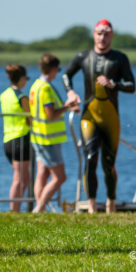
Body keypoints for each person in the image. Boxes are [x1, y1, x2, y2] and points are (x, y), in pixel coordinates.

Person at [62, 19, 136, 214]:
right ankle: (92, 206)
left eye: (107, 34)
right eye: (99, 33)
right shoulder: (83, 57)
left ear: (112, 36)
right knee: (90, 158)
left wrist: (113, 84)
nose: (103, 37)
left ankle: (111, 203)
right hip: (89, 116)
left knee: (108, 164)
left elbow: (132, 85)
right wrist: (70, 92)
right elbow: (66, 75)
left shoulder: (119, 58)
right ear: (94, 35)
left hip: (110, 118)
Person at [29, 53, 79, 213]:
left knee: (42, 174)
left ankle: (40, 209)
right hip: (47, 139)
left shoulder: (35, 85)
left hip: (38, 136)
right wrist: (68, 107)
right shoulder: (45, 89)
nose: (57, 72)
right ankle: (39, 208)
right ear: (52, 70)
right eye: (57, 69)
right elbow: (50, 115)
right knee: (60, 177)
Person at [0, 64, 33, 212]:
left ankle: (16, 209)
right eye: (26, 78)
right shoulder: (22, 97)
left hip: (8, 139)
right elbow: (29, 119)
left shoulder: (4, 95)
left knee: (22, 178)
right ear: (21, 78)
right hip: (21, 139)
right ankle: (14, 210)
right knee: (20, 179)